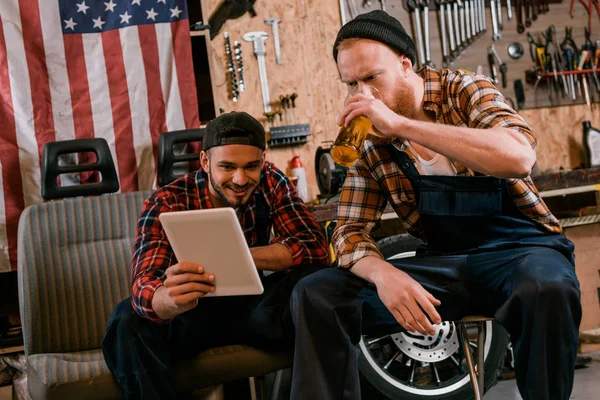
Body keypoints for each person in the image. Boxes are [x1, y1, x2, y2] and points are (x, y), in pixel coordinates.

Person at [290, 10, 581, 400]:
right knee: (317, 293)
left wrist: (402, 125)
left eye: (372, 78)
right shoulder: (369, 141)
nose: (363, 95)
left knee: (548, 288)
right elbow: (347, 231)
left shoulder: (464, 90)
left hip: (521, 252)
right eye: (352, 83)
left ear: (405, 64)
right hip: (445, 266)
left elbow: (517, 156)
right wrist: (382, 274)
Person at [102, 111, 328, 399]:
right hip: (191, 316)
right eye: (228, 166)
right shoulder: (167, 201)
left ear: (263, 160)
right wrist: (169, 300)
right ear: (206, 162)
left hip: (256, 311)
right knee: (126, 321)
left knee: (316, 281)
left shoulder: (270, 180)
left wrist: (241, 255)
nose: (241, 178)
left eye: (251, 166)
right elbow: (143, 285)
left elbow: (313, 245)